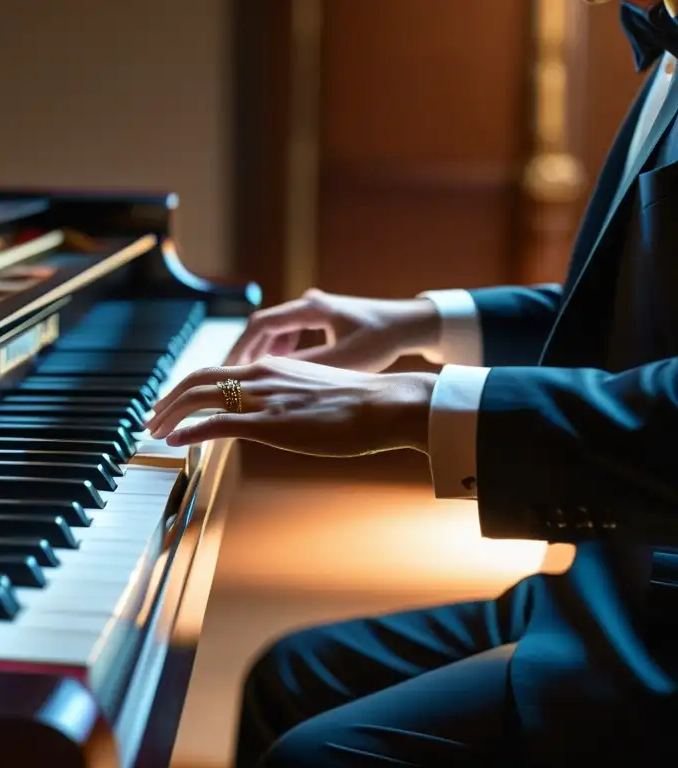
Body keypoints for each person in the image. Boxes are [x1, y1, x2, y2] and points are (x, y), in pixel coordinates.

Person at [146, 1, 678, 765]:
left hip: (660, 621)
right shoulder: (666, 53)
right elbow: (625, 311)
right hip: (614, 581)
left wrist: (410, 405)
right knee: (289, 676)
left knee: (316, 755)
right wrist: (419, 323)